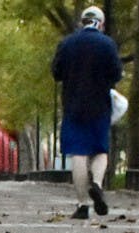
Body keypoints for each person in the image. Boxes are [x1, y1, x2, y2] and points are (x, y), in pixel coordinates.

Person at [50, 5, 122, 219]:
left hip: (73, 106)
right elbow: (117, 74)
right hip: (100, 106)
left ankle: (82, 205)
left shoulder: (67, 43)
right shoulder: (107, 44)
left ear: (82, 22)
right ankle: (97, 184)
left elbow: (56, 73)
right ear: (101, 23)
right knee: (100, 150)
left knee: (78, 154)